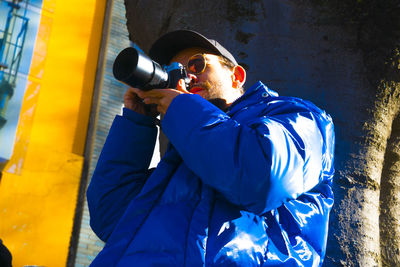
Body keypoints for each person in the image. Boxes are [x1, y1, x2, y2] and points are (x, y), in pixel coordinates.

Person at [87, 30, 335, 266]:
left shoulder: (299, 116)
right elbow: (109, 218)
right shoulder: (178, 163)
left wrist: (183, 108)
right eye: (173, 72)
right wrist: (136, 123)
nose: (186, 77)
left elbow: (263, 179)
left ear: (236, 76)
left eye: (197, 65)